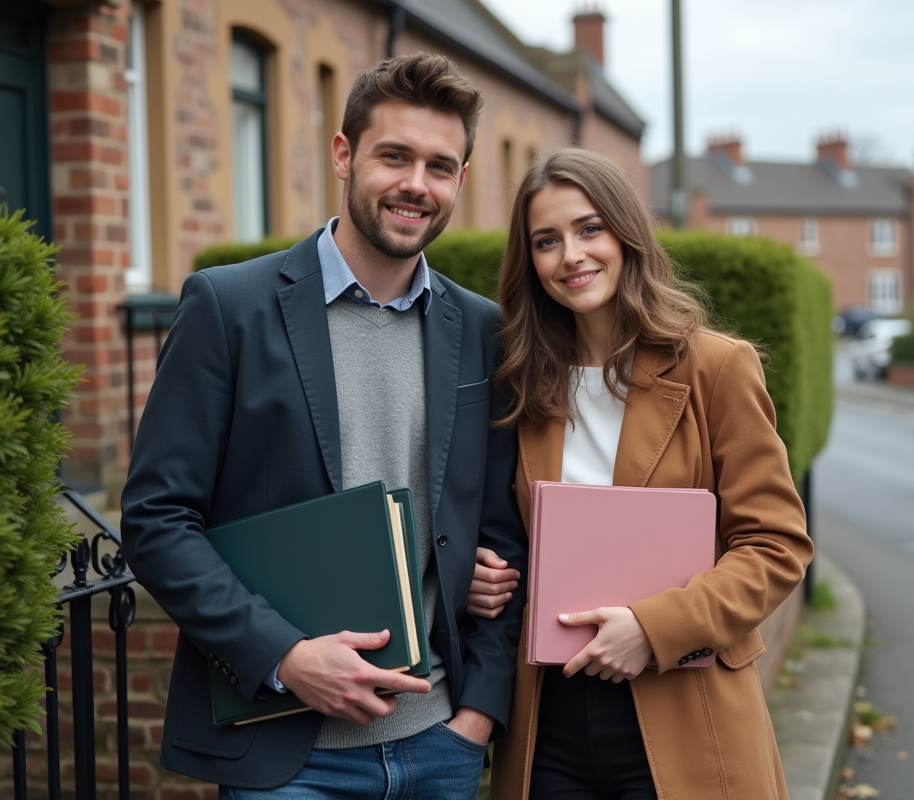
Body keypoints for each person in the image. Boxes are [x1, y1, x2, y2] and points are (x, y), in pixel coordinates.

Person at [121, 52, 526, 800]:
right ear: (344, 155)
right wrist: (283, 656)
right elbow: (157, 520)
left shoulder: (483, 330)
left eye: (440, 166)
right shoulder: (228, 308)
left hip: (442, 747)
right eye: (394, 156)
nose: (416, 184)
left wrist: (478, 716)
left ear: (461, 181)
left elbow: (502, 535)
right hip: (289, 757)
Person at [470, 148, 814, 800]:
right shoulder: (521, 382)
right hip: (549, 721)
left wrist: (656, 629)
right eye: (547, 240)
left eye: (589, 229)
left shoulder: (716, 368)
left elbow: (776, 546)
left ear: (626, 233)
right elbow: (505, 533)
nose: (571, 255)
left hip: (687, 708)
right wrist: (480, 575)